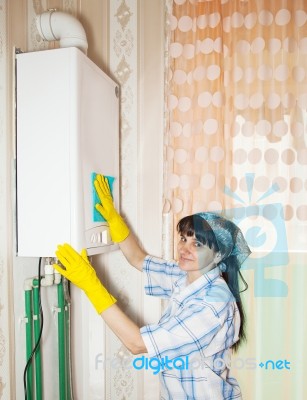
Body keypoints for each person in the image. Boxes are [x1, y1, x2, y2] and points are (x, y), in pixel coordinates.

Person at [53, 174, 251, 400]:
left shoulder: (213, 305)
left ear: (218, 255)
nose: (184, 249)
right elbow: (138, 259)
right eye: (183, 239)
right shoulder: (188, 275)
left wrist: (91, 285)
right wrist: (114, 219)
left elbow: (137, 344)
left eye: (196, 244)